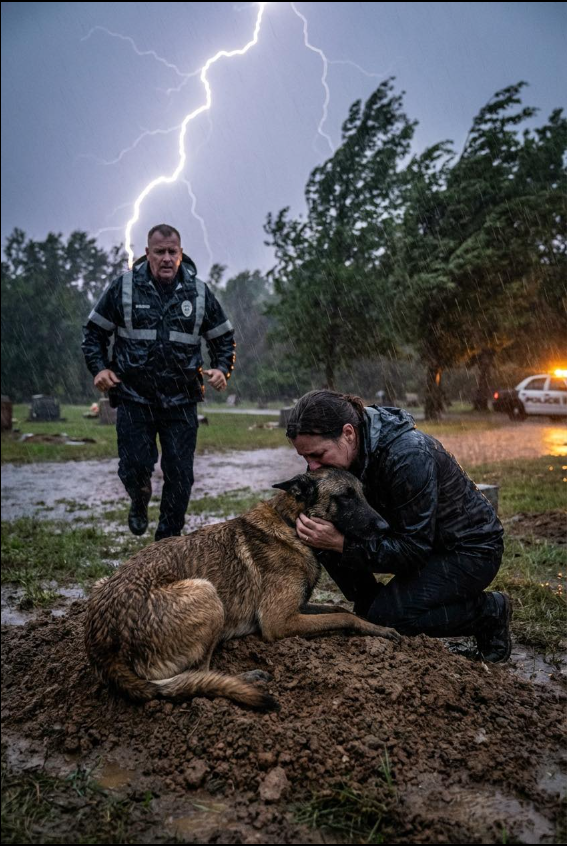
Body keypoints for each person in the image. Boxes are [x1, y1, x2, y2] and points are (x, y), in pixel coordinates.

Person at [286, 390, 512, 663]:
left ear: (348, 433)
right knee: (319, 527)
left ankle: (490, 612)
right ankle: (369, 605)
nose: (312, 467)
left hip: (469, 551)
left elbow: (413, 550)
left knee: (389, 619)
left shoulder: (408, 455)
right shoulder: (342, 458)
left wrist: (343, 544)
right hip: (415, 543)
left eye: (318, 454)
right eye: (305, 458)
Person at [82, 224, 235, 541]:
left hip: (182, 399)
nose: (166, 258)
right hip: (134, 397)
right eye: (159, 252)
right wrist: (99, 369)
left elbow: (223, 338)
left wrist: (222, 368)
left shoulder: (199, 293)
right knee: (134, 466)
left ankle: (167, 541)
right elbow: (94, 333)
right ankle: (139, 498)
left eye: (172, 252)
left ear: (181, 253)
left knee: (180, 474)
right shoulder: (124, 288)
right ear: (147, 253)